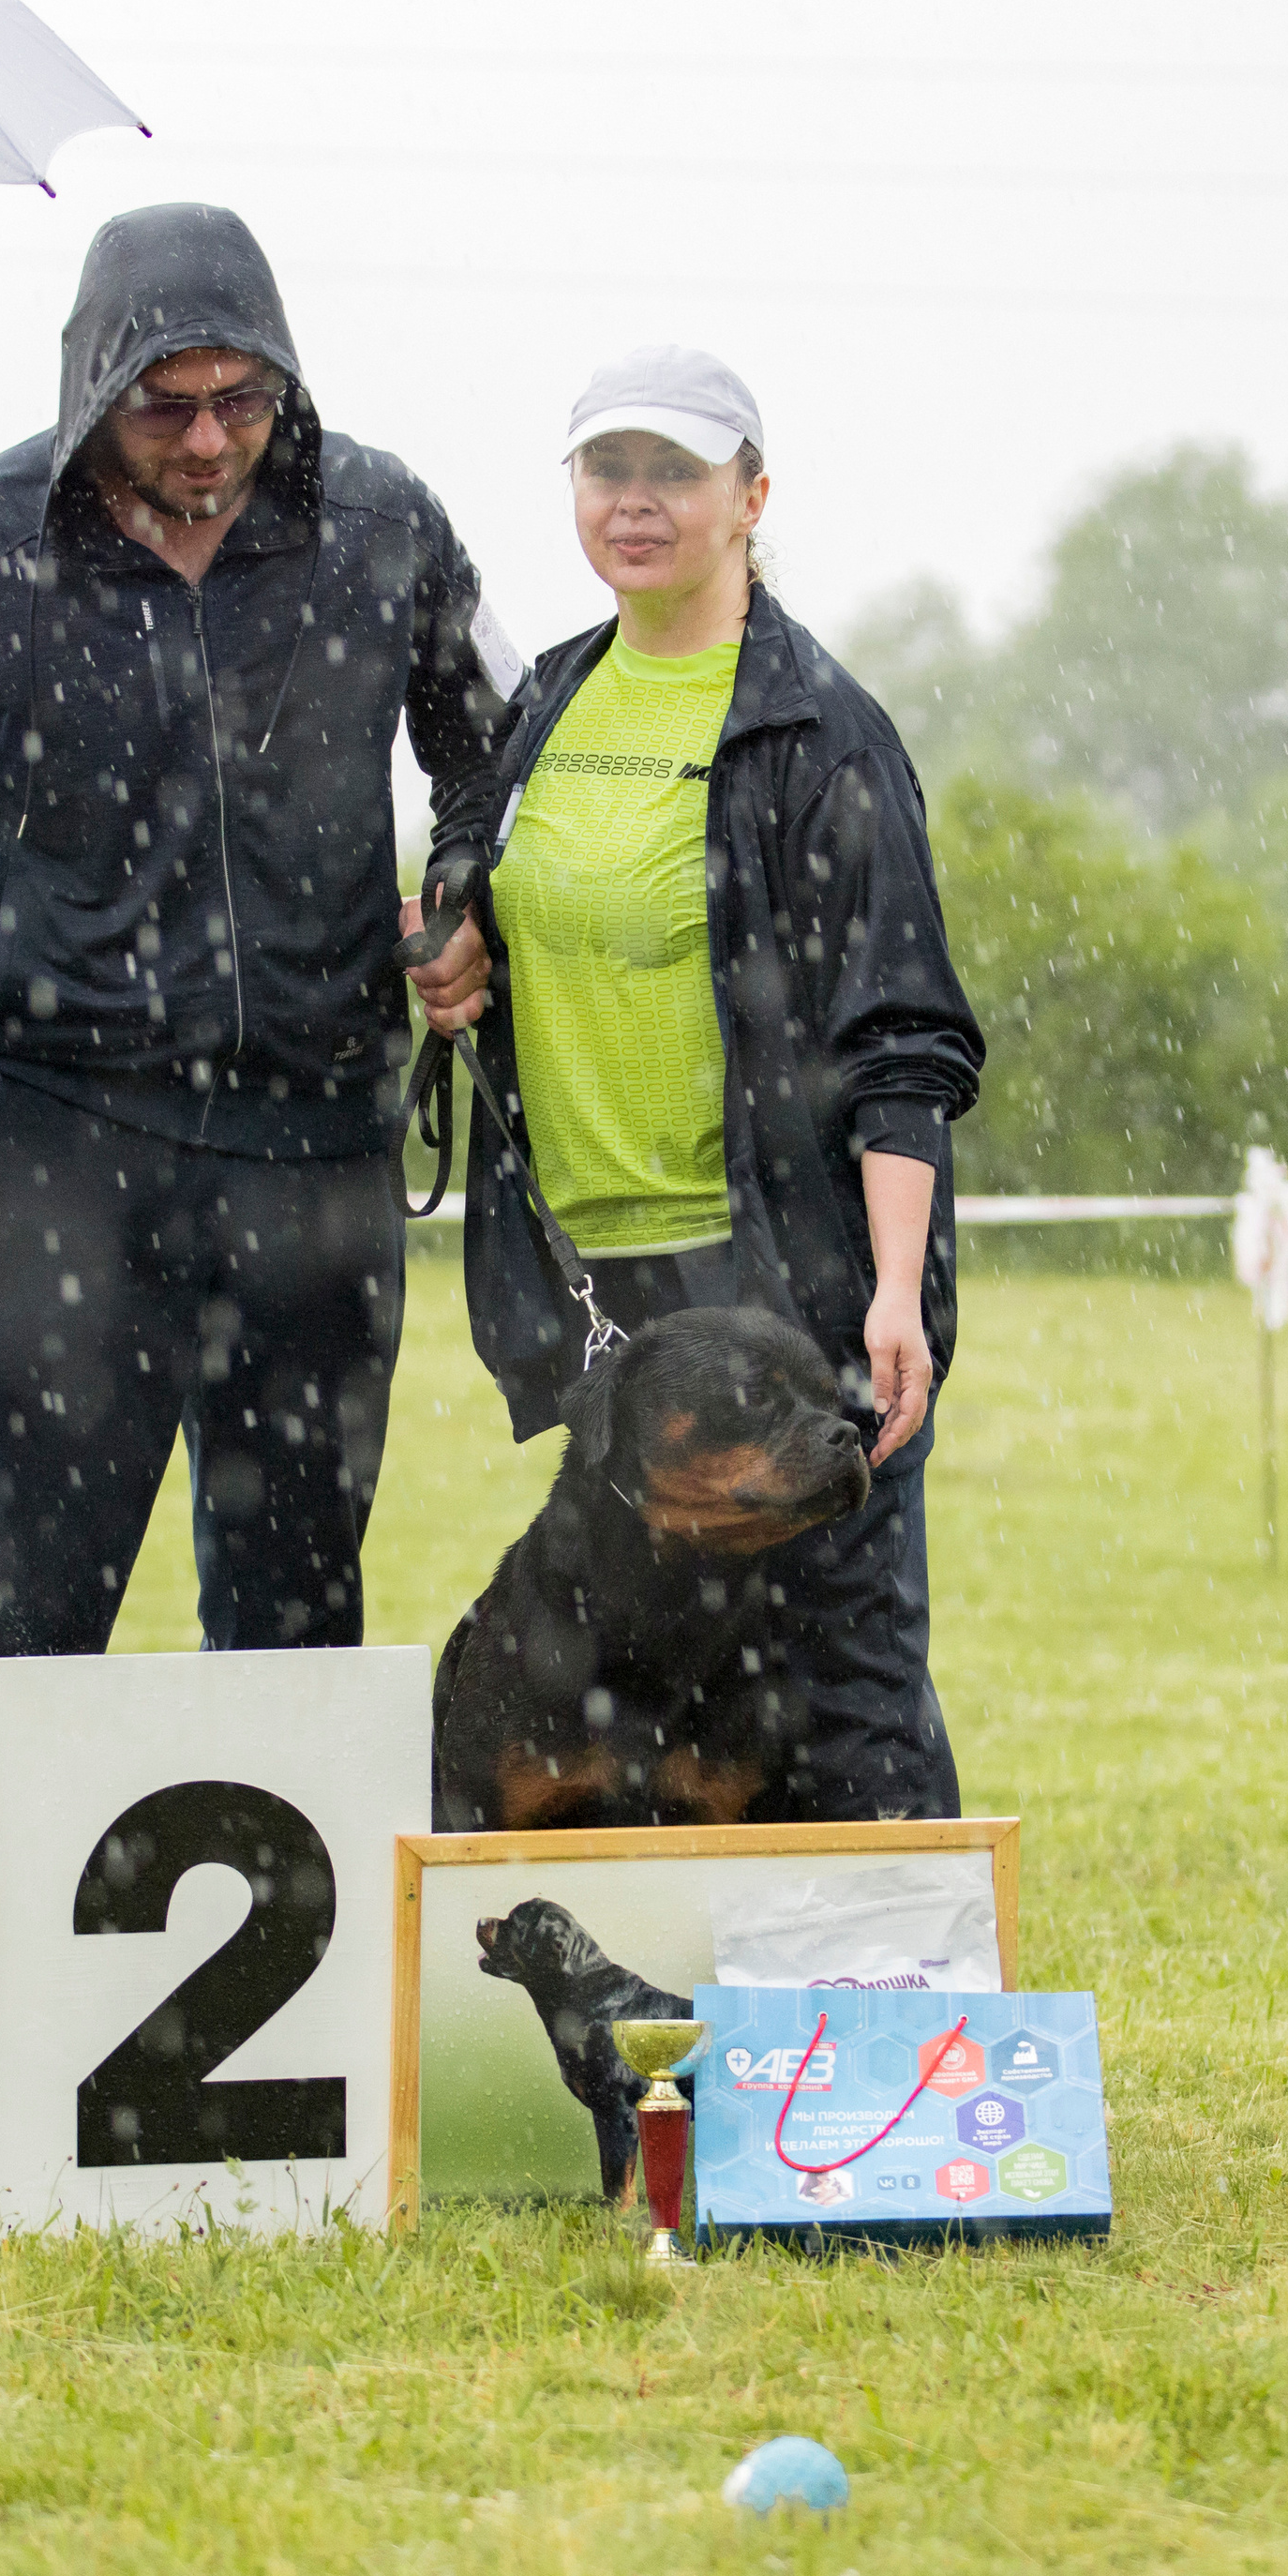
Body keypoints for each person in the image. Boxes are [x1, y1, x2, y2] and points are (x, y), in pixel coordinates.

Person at [0, 203, 519, 2147]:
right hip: (59, 1140)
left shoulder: (384, 528)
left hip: (315, 1142)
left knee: (290, 1596)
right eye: (165, 406)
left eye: (239, 400)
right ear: (90, 389)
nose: (206, 443)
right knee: (18, 1610)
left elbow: (497, 755)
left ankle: (278, 2046)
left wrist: (463, 902)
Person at [410, 344, 984, 1822]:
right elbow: (481, 854)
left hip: (786, 1281)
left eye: (677, 471)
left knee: (839, 1680)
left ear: (752, 497)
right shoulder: (546, 700)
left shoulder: (820, 731)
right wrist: (459, 922)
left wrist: (895, 1291)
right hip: (601, 1292)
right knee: (635, 1678)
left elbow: (902, 1036)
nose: (639, 502)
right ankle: (662, 2035)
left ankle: (893, 2028)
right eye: (610, 470)